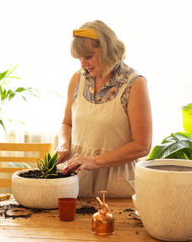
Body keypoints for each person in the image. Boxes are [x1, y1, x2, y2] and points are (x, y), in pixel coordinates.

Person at [57, 20, 152, 198]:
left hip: (116, 185)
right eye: (79, 58)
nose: (83, 64)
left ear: (107, 50)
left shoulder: (134, 84)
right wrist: (64, 145)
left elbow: (142, 145)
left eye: (88, 56)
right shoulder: (78, 80)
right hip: (78, 181)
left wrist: (95, 161)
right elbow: (67, 123)